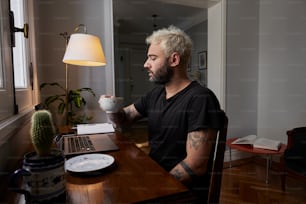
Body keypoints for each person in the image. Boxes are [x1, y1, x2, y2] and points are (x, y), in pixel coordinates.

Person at [102, 25, 223, 202]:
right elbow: (124, 118)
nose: (145, 64)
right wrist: (111, 107)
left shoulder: (200, 99)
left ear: (174, 60)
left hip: (181, 191)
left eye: (152, 58)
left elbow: (196, 165)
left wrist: (153, 185)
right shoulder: (156, 94)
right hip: (155, 175)